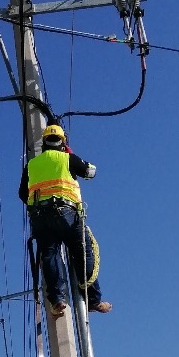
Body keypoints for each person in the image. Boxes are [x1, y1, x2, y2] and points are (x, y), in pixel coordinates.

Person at [18, 123, 111, 318]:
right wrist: (70, 154)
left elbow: (22, 194)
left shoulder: (32, 165)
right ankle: (93, 300)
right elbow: (91, 172)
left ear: (44, 143)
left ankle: (58, 300)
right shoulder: (67, 158)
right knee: (83, 251)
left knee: (50, 256)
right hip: (67, 214)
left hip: (41, 218)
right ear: (63, 141)